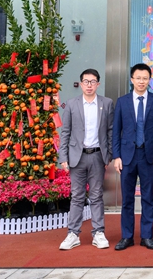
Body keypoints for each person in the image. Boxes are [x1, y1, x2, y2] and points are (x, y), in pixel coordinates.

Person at [58, 69, 114, 250]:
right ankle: (73, 234)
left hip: (98, 156)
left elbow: (110, 131)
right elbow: (65, 132)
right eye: (86, 81)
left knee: (97, 196)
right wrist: (63, 157)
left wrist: (109, 154)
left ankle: (98, 233)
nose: (89, 85)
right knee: (77, 196)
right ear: (81, 84)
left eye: (93, 81)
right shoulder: (71, 104)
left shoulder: (107, 103)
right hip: (77, 157)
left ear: (98, 84)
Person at [112, 63, 153, 251]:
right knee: (127, 199)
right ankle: (127, 236)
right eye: (138, 78)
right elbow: (116, 132)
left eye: (145, 78)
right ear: (132, 79)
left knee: (148, 198)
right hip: (127, 157)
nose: (141, 81)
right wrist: (116, 156)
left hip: (148, 156)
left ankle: (147, 236)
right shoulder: (122, 101)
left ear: (149, 80)